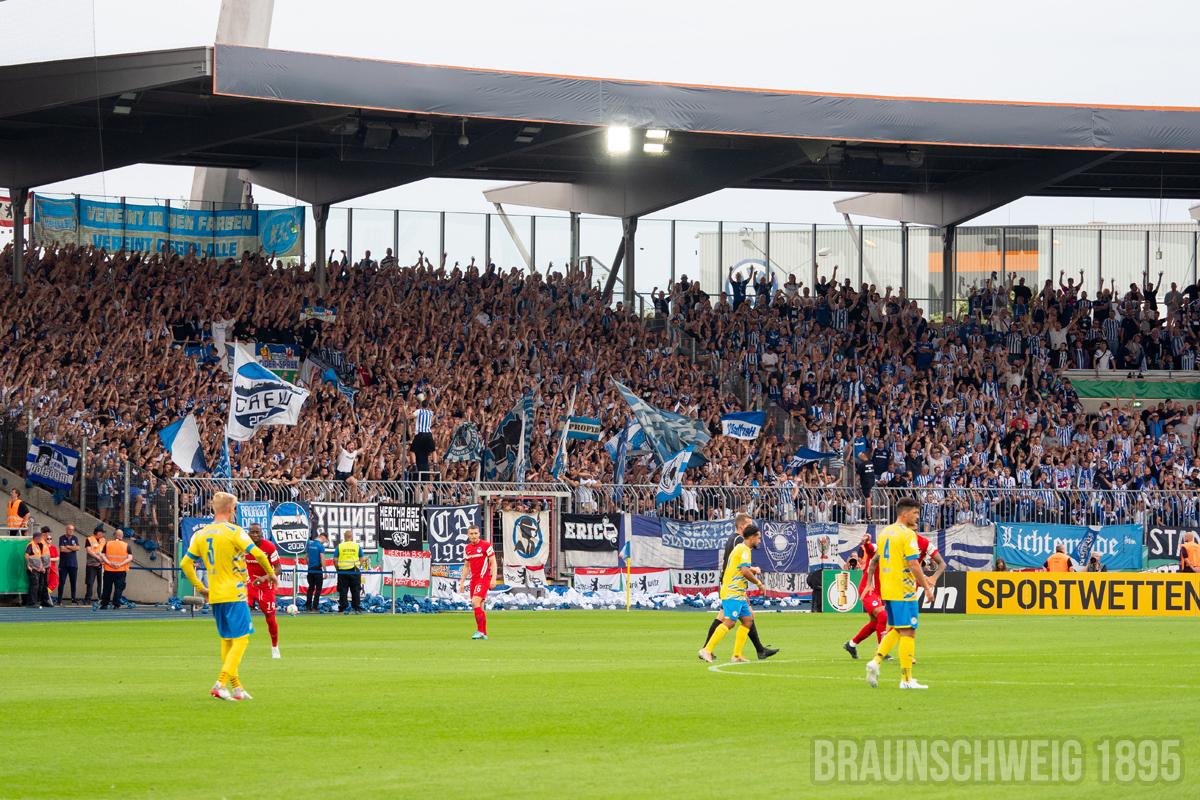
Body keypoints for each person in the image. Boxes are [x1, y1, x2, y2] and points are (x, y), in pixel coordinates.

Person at [180, 491, 277, 701]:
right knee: (241, 640)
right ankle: (220, 683)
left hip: (215, 595)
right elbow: (258, 553)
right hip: (235, 592)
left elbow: (185, 563)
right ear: (231, 509)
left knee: (227, 640)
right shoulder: (234, 531)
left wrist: (201, 588)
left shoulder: (202, 533)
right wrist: (271, 573)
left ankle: (237, 688)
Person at [864, 497, 935, 690]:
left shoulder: (885, 532)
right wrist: (927, 588)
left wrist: (871, 583)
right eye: (915, 513)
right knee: (909, 631)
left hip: (887, 588)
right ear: (905, 513)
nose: (917, 517)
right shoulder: (908, 535)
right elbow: (913, 564)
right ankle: (906, 679)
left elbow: (876, 560)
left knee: (896, 628)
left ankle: (876, 661)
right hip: (903, 589)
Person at [846, 531, 945, 659]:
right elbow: (872, 549)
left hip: (885, 591)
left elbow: (908, 567)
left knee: (875, 623)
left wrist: (924, 576)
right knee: (884, 616)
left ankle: (851, 644)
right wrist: (867, 543)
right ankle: (882, 650)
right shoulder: (886, 546)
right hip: (869, 589)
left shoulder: (905, 551)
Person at [701, 513, 778, 660]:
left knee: (748, 620)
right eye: (758, 538)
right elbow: (744, 571)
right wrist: (759, 583)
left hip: (736, 590)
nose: (760, 541)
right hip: (732, 590)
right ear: (751, 537)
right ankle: (707, 649)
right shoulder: (743, 548)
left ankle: (737, 655)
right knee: (729, 621)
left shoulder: (737, 545)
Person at [245, 523, 282, 658]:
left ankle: (275, 647)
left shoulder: (269, 547)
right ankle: (239, 643)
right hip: (250, 585)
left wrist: (265, 578)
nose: (255, 535)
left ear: (262, 533)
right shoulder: (245, 546)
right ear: (249, 534)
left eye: (257, 532)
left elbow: (278, 569)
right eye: (252, 532)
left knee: (270, 620)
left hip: (266, 587)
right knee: (242, 611)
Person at [460, 525, 497, 640]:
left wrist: (493, 578)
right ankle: (483, 633)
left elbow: (493, 562)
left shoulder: (486, 545)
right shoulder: (467, 548)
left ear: (479, 534)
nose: (474, 536)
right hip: (473, 580)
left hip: (483, 578)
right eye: (471, 534)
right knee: (479, 605)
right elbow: (466, 566)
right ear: (468, 535)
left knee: (474, 602)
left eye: (475, 533)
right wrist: (462, 582)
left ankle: (479, 631)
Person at [98, 528, 132, 610]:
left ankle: (105, 604)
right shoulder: (126, 545)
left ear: (114, 536)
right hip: (120, 570)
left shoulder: (108, 543)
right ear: (122, 536)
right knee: (118, 588)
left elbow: (102, 555)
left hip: (109, 570)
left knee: (107, 587)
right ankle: (116, 605)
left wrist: (109, 563)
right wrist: (120, 564)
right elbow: (130, 558)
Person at [335, 530, 366, 613]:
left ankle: (342, 607)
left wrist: (337, 568)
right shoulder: (357, 546)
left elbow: (335, 559)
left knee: (343, 590)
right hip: (354, 571)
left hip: (342, 571)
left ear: (344, 537)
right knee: (355, 590)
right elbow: (362, 558)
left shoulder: (340, 546)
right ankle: (356, 608)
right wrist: (358, 566)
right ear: (352, 537)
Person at [409, 397, 436, 479]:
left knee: (412, 451)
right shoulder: (430, 412)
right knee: (433, 450)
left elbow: (409, 417)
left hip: (420, 433)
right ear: (428, 406)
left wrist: (405, 410)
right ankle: (435, 465)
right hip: (428, 433)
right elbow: (435, 410)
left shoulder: (418, 411)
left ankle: (414, 465)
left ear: (421, 404)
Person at [24, 528, 50, 608]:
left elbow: (39, 558)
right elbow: (26, 555)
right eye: (39, 538)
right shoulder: (31, 545)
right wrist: (28, 566)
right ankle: (32, 602)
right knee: (34, 586)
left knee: (36, 585)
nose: (41, 539)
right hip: (33, 568)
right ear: (36, 538)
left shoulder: (37, 546)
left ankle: (31, 602)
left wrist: (42, 567)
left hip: (37, 569)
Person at [57, 524, 81, 604]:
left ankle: (73, 598)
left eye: (72, 530)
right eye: (70, 529)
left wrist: (67, 546)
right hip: (63, 564)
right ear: (66, 530)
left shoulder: (75, 538)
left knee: (73, 582)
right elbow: (62, 549)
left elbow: (78, 548)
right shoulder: (62, 538)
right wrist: (72, 548)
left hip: (73, 564)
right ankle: (59, 599)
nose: (71, 531)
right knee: (62, 582)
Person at [83, 525, 106, 604]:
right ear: (98, 533)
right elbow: (89, 550)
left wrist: (102, 558)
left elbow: (105, 550)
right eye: (102, 532)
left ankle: (101, 598)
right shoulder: (89, 539)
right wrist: (97, 557)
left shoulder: (103, 540)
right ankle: (88, 598)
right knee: (90, 582)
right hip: (91, 564)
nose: (103, 534)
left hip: (101, 564)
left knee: (101, 582)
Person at [305, 532, 328, 611]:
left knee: (310, 588)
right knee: (318, 589)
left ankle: (308, 606)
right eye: (325, 541)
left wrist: (309, 565)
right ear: (323, 538)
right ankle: (315, 606)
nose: (324, 542)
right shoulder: (321, 546)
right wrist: (325, 571)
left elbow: (306, 557)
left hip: (310, 569)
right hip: (318, 569)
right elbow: (322, 559)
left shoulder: (310, 545)